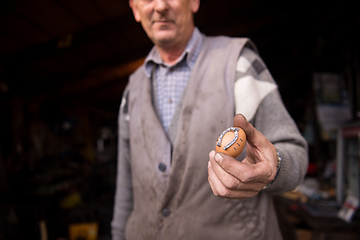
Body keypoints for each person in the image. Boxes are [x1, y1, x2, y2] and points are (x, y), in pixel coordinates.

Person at [111, 0, 308, 239]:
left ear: (194, 2)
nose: (160, 6)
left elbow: (295, 153)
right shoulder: (132, 89)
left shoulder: (238, 63)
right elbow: (126, 188)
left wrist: (274, 166)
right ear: (135, 8)